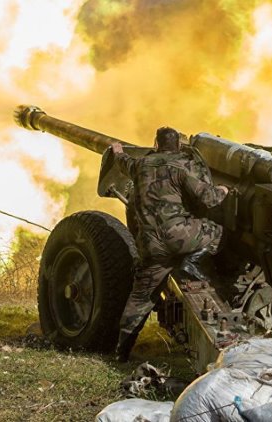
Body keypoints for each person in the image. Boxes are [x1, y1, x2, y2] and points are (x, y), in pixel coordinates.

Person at [111, 127, 229, 361]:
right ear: (177, 146)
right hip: (181, 237)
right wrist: (224, 190)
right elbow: (209, 198)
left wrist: (118, 152)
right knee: (218, 231)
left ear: (156, 144)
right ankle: (191, 262)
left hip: (151, 246)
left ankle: (121, 351)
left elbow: (124, 162)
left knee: (141, 298)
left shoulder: (141, 166)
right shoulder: (181, 168)